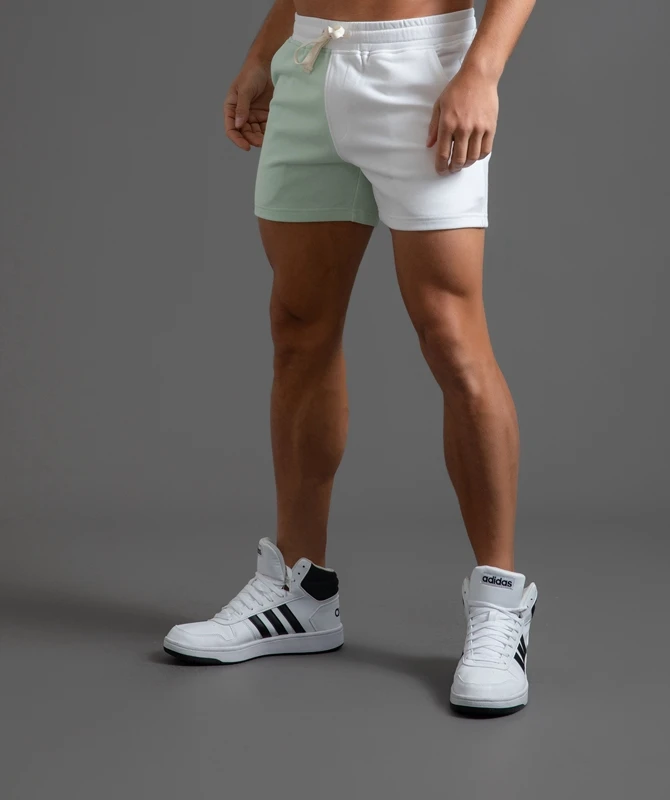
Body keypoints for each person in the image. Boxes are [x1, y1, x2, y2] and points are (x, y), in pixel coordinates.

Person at [163, 0, 538, 717]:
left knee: (451, 335)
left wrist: (481, 70)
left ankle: (500, 604)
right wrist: (262, 53)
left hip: (421, 70)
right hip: (310, 62)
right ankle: (299, 593)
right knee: (298, 326)